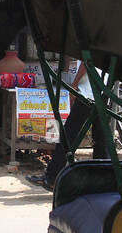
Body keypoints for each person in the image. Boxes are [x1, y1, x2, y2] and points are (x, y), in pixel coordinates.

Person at [29, 56, 110, 192]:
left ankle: (52, 177)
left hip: (88, 94)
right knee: (101, 139)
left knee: (68, 135)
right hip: (100, 92)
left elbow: (87, 61)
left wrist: (75, 83)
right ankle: (102, 180)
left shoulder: (90, 40)